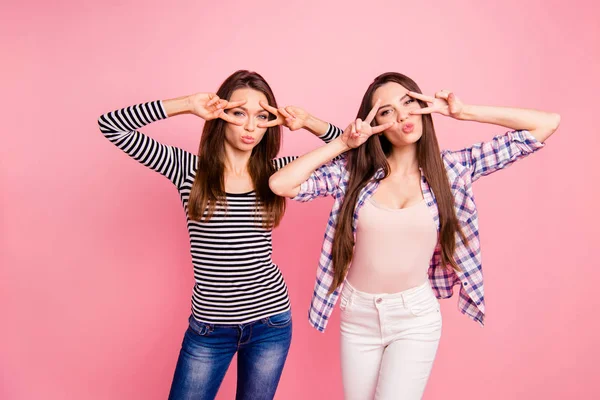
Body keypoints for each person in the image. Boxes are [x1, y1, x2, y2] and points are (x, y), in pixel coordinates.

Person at [268, 72, 560, 399]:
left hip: (414, 317)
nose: (403, 115)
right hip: (358, 315)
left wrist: (463, 112)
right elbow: (281, 184)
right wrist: (343, 143)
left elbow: (546, 124)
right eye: (387, 111)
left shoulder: (453, 169)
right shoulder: (352, 173)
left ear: (422, 106)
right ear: (375, 123)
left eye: (408, 102)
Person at [97, 70, 341, 400]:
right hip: (210, 330)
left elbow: (354, 151)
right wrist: (187, 105)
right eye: (239, 113)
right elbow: (112, 125)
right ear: (221, 115)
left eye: (262, 116)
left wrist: (308, 121)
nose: (251, 127)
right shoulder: (187, 168)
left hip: (270, 323)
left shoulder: (277, 173)